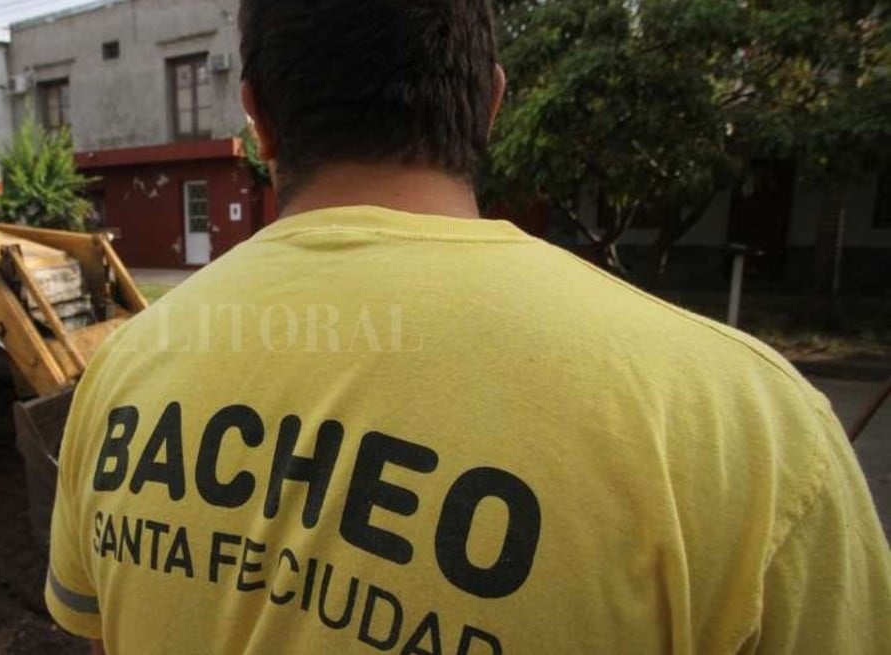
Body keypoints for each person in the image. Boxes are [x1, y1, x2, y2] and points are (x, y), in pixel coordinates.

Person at [44, 0, 891, 653]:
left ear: (258, 117)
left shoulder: (128, 364)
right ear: (488, 103)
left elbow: (102, 634)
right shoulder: (751, 429)